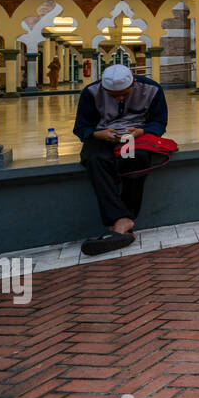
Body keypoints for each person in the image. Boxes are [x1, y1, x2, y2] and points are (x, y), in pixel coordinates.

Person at [73, 63, 168, 255]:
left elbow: (159, 122)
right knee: (96, 161)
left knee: (135, 161)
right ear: (103, 88)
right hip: (102, 136)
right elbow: (82, 127)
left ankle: (122, 223)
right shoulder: (90, 92)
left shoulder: (151, 89)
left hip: (133, 137)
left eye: (124, 93)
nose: (120, 98)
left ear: (133, 83)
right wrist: (98, 134)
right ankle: (123, 221)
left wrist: (142, 131)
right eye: (113, 96)